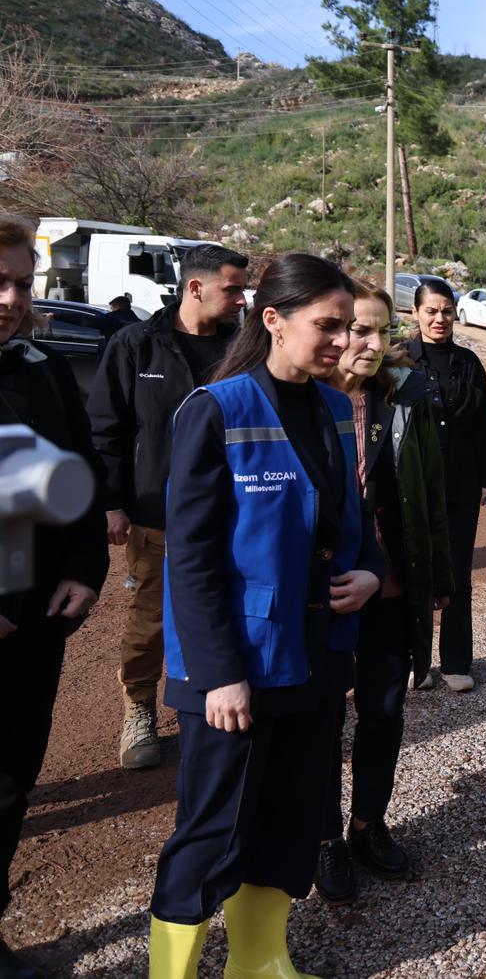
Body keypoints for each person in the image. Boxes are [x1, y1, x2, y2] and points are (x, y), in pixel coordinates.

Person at [147, 254, 382, 979]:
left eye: (348, 327)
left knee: (286, 823)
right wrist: (219, 675)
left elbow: (352, 519)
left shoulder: (337, 409)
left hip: (311, 658)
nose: (343, 343)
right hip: (235, 670)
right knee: (213, 832)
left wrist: (371, 571)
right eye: (328, 326)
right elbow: (190, 560)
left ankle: (258, 962)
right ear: (272, 320)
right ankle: (172, 972)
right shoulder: (215, 409)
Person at [313, 280, 452, 904]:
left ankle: (367, 824)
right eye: (356, 330)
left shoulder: (403, 399)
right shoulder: (300, 402)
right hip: (319, 590)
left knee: (385, 711)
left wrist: (439, 576)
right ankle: (322, 840)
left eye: (379, 332)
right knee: (317, 718)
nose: (367, 345)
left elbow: (428, 495)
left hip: (391, 584)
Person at [88, 243, 249, 770]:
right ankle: (138, 708)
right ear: (195, 288)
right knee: (150, 620)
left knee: (231, 606)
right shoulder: (137, 344)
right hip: (157, 514)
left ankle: (213, 697)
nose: (241, 298)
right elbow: (107, 429)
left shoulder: (244, 348)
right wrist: (112, 502)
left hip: (234, 511)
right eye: (232, 288)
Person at [0, 218, 108, 979]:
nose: (10, 298)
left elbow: (79, 474)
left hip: (33, 624)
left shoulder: (39, 368)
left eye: (22, 284)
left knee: (10, 782)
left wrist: (86, 566)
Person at [402, 278, 486, 693]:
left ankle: (457, 662)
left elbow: (484, 424)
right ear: (416, 314)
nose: (439, 318)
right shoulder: (400, 362)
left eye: (446, 310)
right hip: (413, 488)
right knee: (416, 572)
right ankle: (418, 664)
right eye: (431, 311)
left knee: (458, 572)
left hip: (461, 486)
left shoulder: (469, 363)